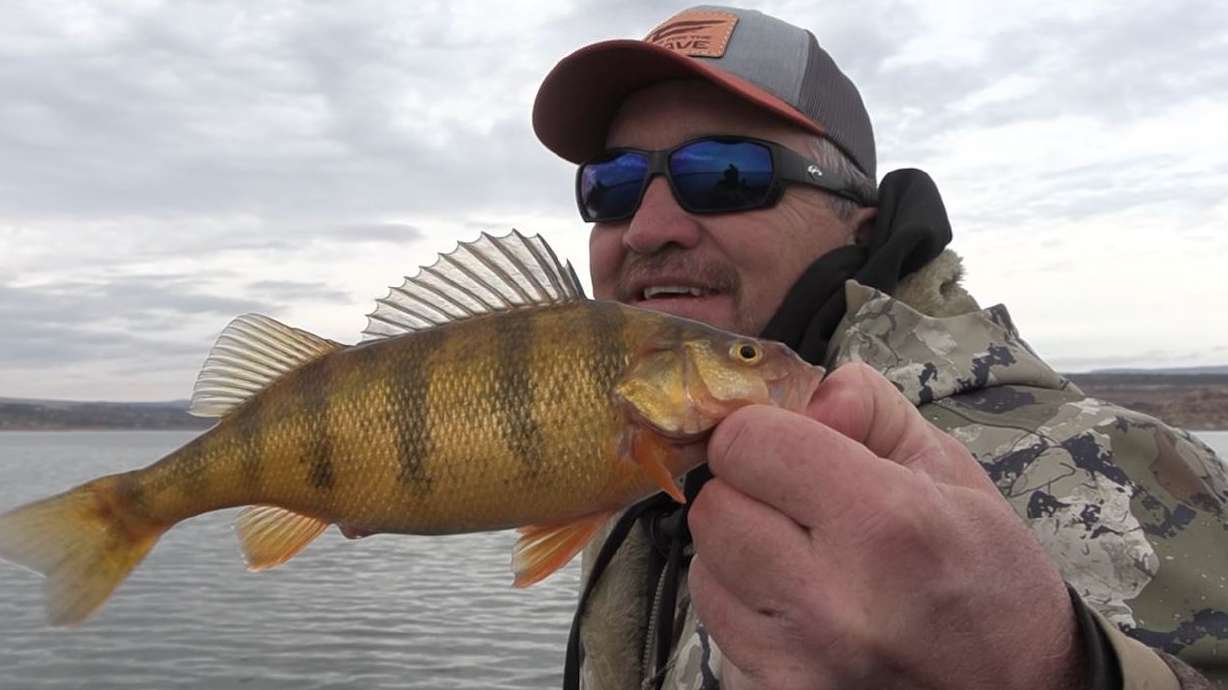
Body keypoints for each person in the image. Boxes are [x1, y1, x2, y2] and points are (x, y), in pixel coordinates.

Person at [532, 6, 1227, 690]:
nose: (648, 227)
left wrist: (1063, 668)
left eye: (725, 174)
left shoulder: (1100, 463)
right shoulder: (647, 453)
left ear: (856, 226)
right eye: (612, 186)